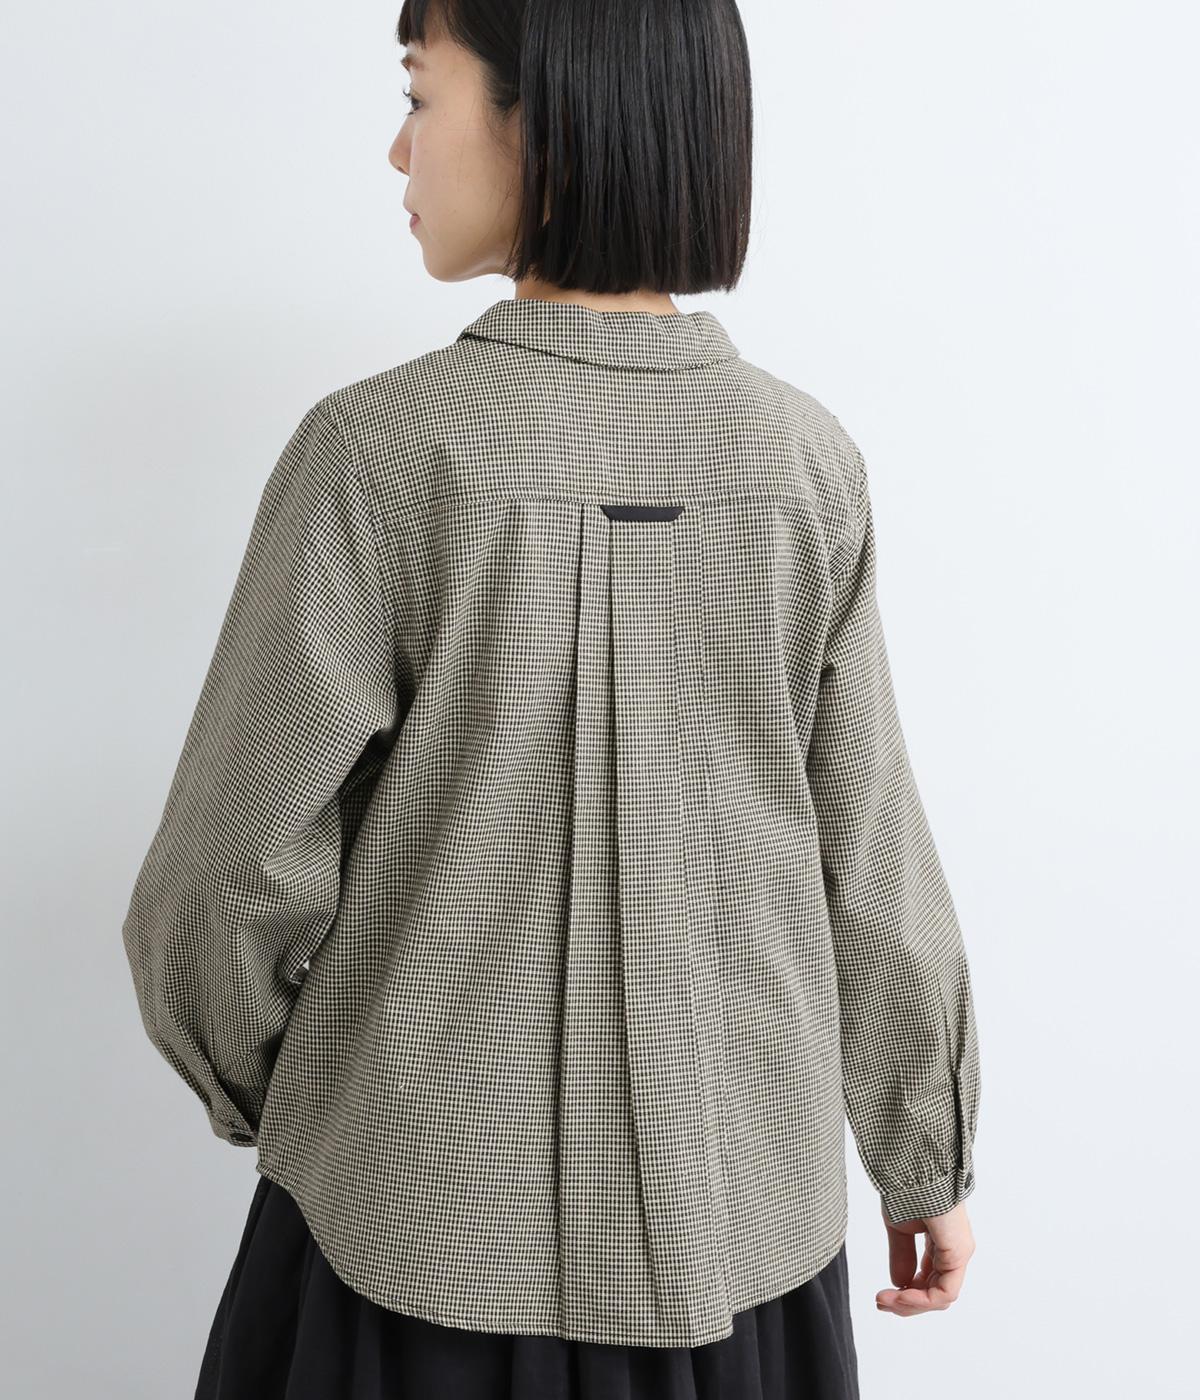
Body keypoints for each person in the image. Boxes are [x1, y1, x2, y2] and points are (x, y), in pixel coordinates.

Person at [121, 1, 981, 1396]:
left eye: (421, 96)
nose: (397, 149)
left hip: (411, 1240)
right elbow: (870, 862)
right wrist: (920, 1154)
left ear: (545, 119)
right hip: (740, 1242)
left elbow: (222, 883)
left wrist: (325, 1095)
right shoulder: (804, 464)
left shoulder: (377, 457)